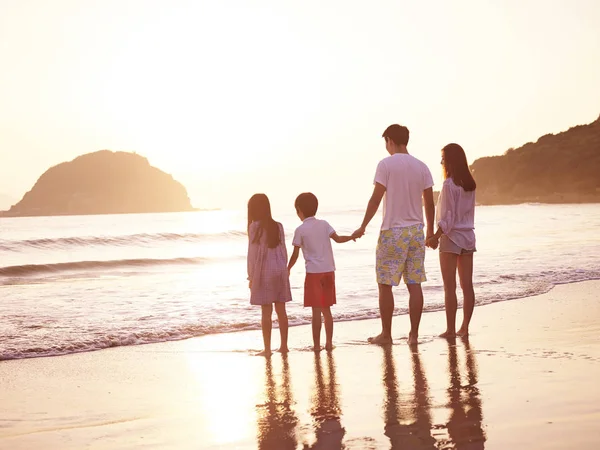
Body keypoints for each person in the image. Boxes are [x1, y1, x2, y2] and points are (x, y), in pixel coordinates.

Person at [353, 124, 435, 346]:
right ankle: (414, 335)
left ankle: (386, 334)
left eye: (386, 142)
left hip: (393, 231)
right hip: (416, 231)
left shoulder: (386, 164)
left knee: (385, 284)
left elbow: (376, 197)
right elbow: (429, 202)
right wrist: (430, 231)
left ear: (390, 140)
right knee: (414, 284)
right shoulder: (422, 167)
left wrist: (363, 226)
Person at [288, 193, 356, 351]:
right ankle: (329, 343)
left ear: (299, 210)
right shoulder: (324, 224)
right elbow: (338, 239)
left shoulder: (300, 230)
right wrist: (352, 236)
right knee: (327, 310)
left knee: (316, 312)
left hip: (313, 273)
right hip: (328, 271)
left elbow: (295, 254)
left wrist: (288, 268)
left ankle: (317, 346)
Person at [425, 143, 477, 338]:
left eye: (444, 158)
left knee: (450, 287)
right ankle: (464, 328)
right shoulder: (470, 184)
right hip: (468, 237)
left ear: (451, 160)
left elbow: (448, 218)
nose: (441, 162)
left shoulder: (449, 184)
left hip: (452, 237)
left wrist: (434, 237)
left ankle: (450, 330)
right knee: (467, 286)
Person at [247, 193, 292, 356]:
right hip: (279, 270)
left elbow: (252, 254)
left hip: (264, 272)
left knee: (266, 312)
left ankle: (267, 350)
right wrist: (284, 269)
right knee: (281, 310)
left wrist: (251, 276)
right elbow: (284, 250)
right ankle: (284, 346)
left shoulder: (254, 227)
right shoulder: (278, 226)